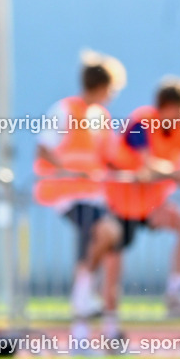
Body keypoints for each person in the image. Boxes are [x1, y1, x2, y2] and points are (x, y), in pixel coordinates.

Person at [33, 51, 125, 341]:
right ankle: (83, 298)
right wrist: (70, 170)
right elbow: (44, 147)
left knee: (98, 246)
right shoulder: (64, 110)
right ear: (101, 87)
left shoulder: (101, 117)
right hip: (65, 194)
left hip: (91, 195)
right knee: (106, 233)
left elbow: (110, 156)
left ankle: (83, 314)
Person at [101, 78, 180, 339]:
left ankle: (176, 291)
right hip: (122, 203)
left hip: (152, 204)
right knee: (113, 266)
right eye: (179, 110)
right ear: (165, 107)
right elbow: (147, 166)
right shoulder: (141, 123)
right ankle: (110, 328)